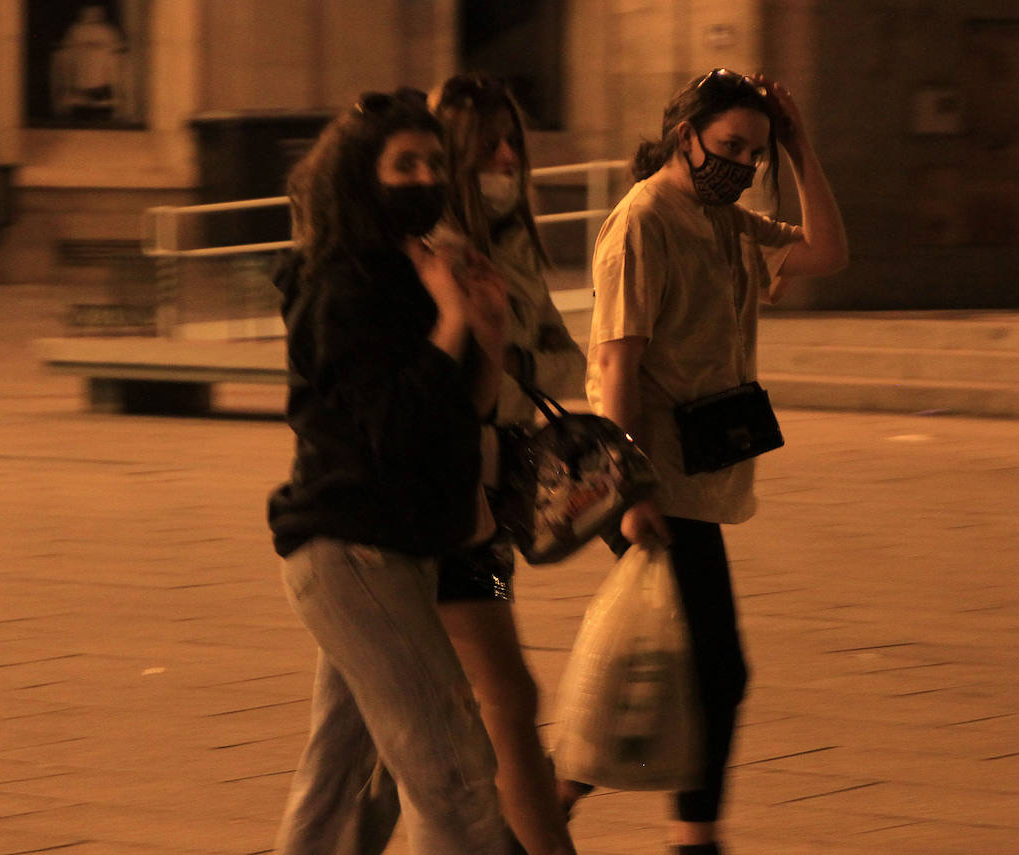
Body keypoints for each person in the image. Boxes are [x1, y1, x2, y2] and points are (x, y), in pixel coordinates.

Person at [574, 69, 849, 854]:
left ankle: (554, 795)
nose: (741, 165)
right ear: (683, 133)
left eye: (754, 154)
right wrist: (625, 492)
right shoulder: (643, 221)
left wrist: (799, 149)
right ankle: (690, 835)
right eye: (729, 146)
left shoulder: (727, 220)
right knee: (716, 669)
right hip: (649, 474)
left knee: (665, 664)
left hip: (695, 475)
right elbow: (617, 364)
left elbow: (827, 253)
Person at [266, 87, 511, 855]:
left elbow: (457, 415)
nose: (425, 178)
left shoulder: (411, 270)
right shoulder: (337, 284)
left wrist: (487, 331)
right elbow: (394, 425)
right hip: (352, 546)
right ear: (359, 176)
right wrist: (445, 322)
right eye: (404, 164)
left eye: (435, 162)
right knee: (455, 771)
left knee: (345, 785)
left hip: (401, 550)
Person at [428, 72, 586, 855]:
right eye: (485, 143)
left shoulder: (509, 243)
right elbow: (455, 383)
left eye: (512, 141)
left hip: (489, 491)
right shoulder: (437, 251)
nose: (504, 157)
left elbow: (558, 364)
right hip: (449, 504)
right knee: (505, 698)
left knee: (427, 721)